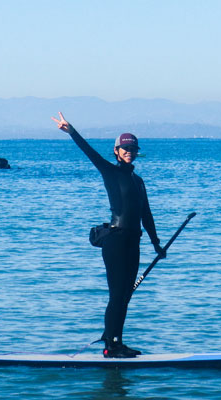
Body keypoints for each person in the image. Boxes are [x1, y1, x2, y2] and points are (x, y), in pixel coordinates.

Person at [51, 112, 166, 358]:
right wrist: (71, 131)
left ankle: (116, 341)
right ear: (116, 151)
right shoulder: (110, 172)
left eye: (133, 148)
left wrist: (156, 244)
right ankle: (110, 345)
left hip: (134, 242)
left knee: (125, 295)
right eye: (125, 148)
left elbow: (146, 214)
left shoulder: (138, 181)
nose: (129, 151)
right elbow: (89, 152)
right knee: (117, 294)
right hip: (115, 240)